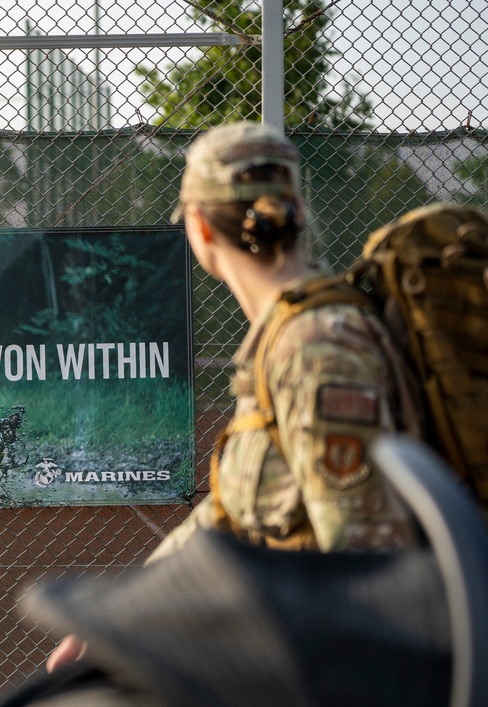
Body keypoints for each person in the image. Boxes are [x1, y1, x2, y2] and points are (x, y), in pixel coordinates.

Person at [46, 120, 421, 673]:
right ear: (296, 213)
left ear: (197, 227)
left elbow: (364, 569)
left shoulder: (315, 349)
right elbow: (231, 515)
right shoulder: (282, 339)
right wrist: (127, 612)